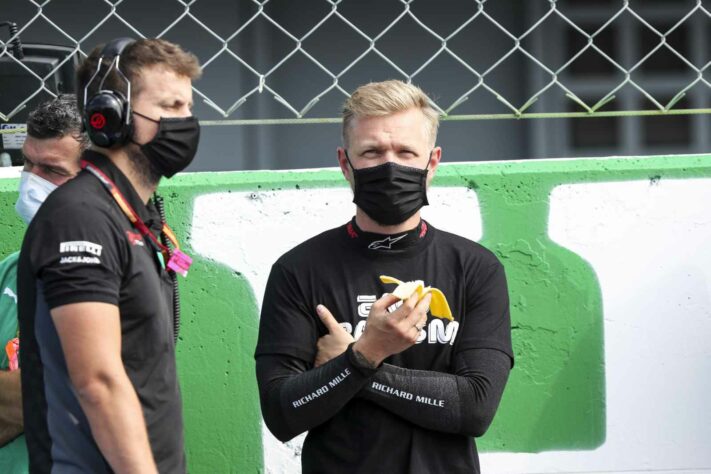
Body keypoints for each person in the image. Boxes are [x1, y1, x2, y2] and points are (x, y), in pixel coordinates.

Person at [256, 80, 514, 473]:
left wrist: (356, 361)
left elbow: (474, 407)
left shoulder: (475, 268)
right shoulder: (298, 270)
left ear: (432, 162)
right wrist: (367, 353)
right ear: (346, 164)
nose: (390, 166)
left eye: (406, 152)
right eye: (372, 152)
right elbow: (282, 412)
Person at [17, 38, 201, 473]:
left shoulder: (129, 215)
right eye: (170, 106)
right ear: (110, 116)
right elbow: (97, 381)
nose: (187, 122)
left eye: (188, 108)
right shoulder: (80, 218)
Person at [0, 95, 86, 474]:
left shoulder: (118, 276)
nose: (32, 181)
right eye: (28, 164)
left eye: (52, 170)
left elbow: (68, 395)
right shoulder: (8, 272)